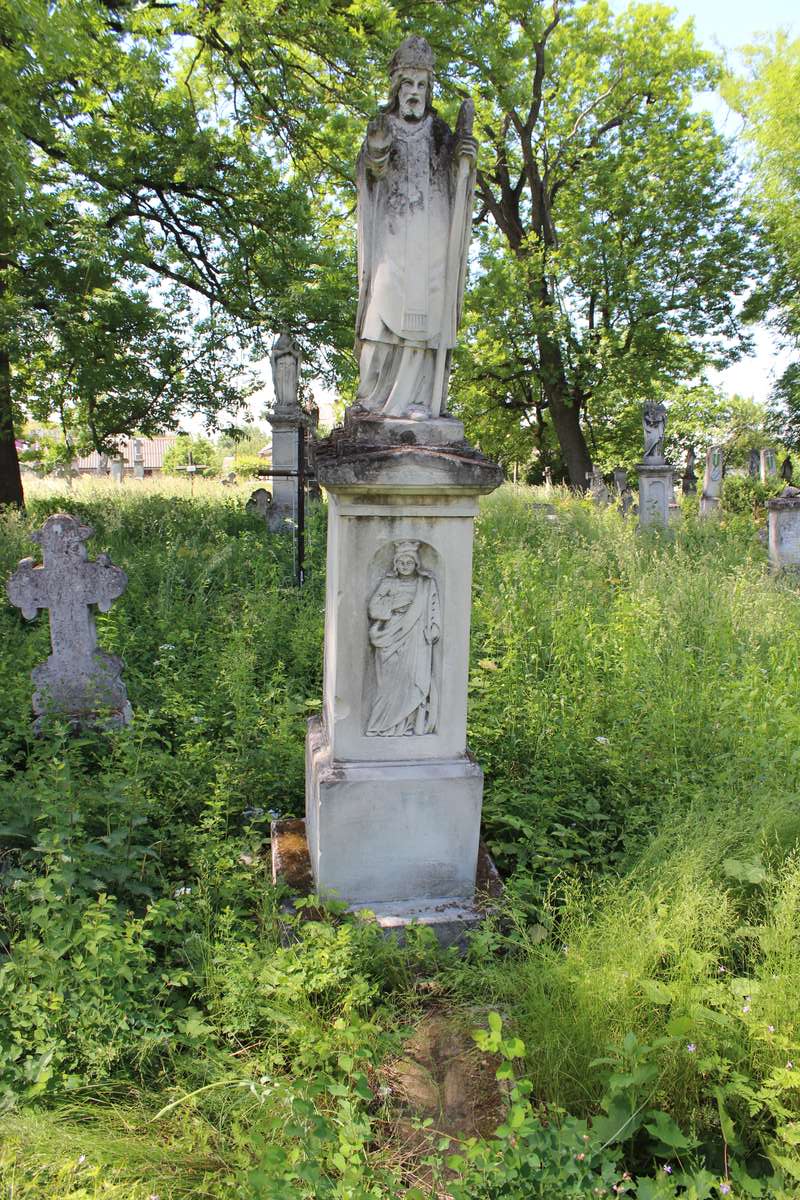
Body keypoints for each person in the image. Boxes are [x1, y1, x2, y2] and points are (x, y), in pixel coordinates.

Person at [354, 36, 476, 418]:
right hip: (392, 241)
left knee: (427, 318)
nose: (414, 92)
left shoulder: (441, 133)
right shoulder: (383, 125)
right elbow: (370, 174)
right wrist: (375, 152)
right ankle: (374, 399)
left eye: (422, 85)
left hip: (431, 240)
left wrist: (464, 161)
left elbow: (457, 181)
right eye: (408, 84)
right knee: (381, 315)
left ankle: (420, 401)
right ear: (396, 87)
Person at [366, 540, 440, 736]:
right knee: (388, 684)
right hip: (390, 634)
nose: (405, 566)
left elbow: (434, 608)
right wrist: (393, 604)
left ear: (416, 563)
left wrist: (434, 627)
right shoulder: (389, 582)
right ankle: (382, 725)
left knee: (411, 679)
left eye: (409, 562)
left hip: (416, 637)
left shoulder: (426, 583)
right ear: (395, 564)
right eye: (401, 562)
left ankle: (407, 724)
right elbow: (374, 608)